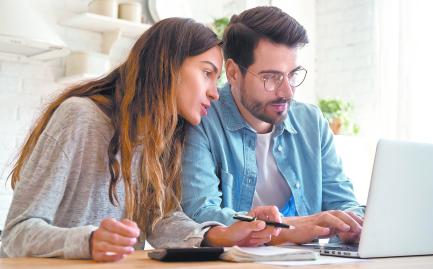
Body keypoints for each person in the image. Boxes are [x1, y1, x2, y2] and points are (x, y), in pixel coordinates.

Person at [0, 17, 281, 262]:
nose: (214, 93)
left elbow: (161, 220)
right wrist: (88, 241)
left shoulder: (158, 139)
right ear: (167, 65)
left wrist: (220, 234)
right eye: (207, 73)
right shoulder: (80, 117)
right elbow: (16, 232)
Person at [181, 6, 364, 245]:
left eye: (293, 75)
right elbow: (200, 214)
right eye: (271, 77)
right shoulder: (201, 120)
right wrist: (290, 229)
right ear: (234, 73)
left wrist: (354, 224)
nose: (287, 91)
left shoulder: (312, 122)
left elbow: (343, 202)